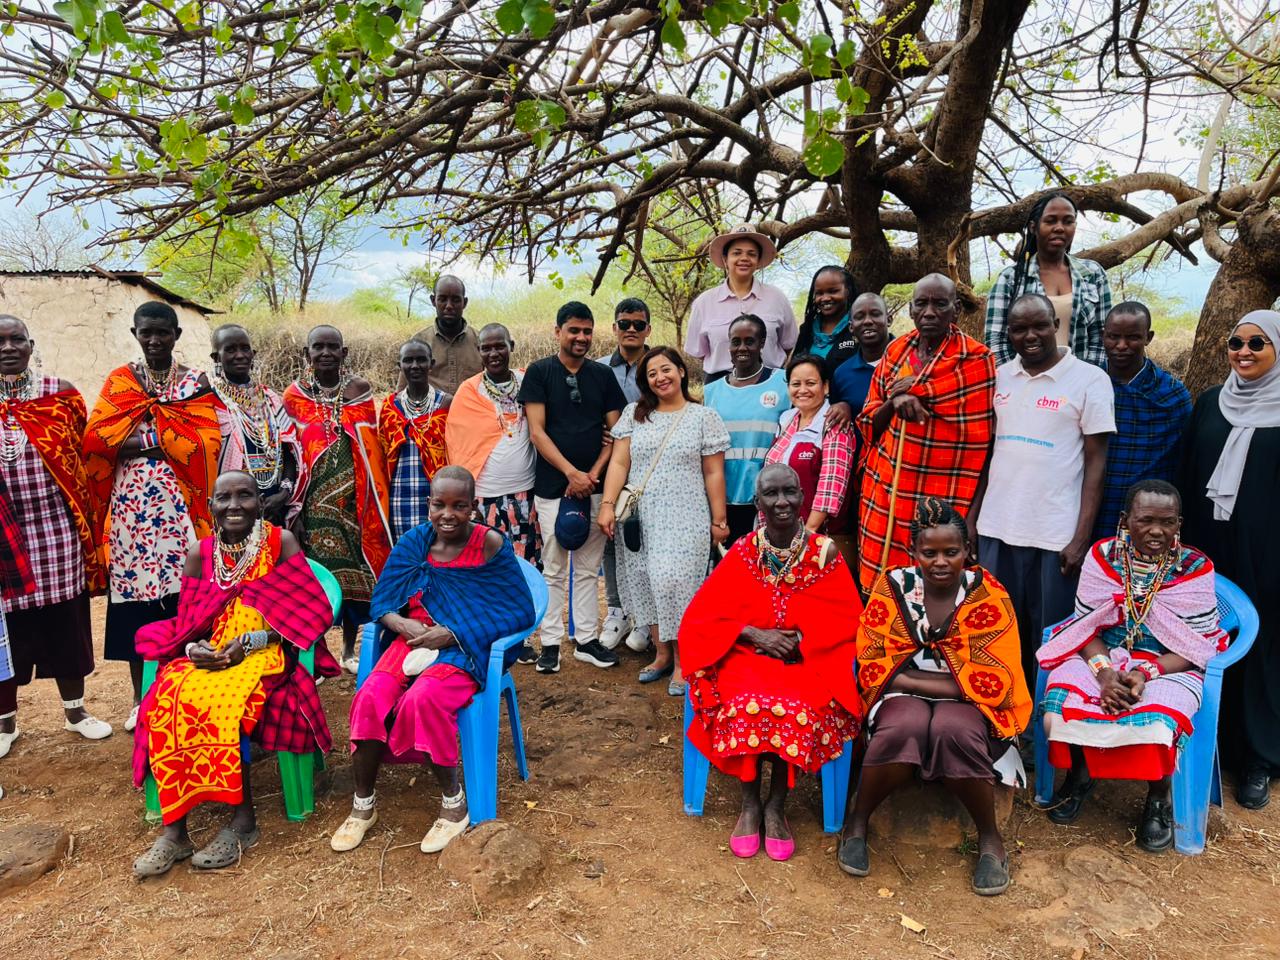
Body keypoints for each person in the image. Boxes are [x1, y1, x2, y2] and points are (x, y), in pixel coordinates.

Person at [131, 471, 338, 878]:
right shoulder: (199, 554)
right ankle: (176, 830)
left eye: (245, 496)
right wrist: (195, 649)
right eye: (223, 498)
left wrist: (251, 643)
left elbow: (311, 612)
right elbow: (189, 623)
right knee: (168, 697)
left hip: (266, 653)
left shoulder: (281, 543)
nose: (234, 506)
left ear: (260, 503)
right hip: (209, 655)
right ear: (211, 507)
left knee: (226, 703)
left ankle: (243, 820)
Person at [330, 466, 536, 854]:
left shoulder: (490, 544)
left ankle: (453, 805)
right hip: (412, 641)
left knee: (424, 699)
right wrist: (400, 623)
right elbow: (383, 601)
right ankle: (362, 806)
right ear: (428, 505)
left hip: (467, 646)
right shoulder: (414, 543)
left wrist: (454, 632)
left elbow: (519, 611)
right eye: (439, 504)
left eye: (459, 506)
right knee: (370, 698)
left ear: (474, 507)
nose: (448, 514)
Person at [844, 498, 1031, 895]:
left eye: (952, 552)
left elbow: (995, 682)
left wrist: (909, 680)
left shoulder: (988, 596)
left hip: (970, 706)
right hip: (904, 698)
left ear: (968, 552)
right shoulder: (893, 588)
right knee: (905, 724)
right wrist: (943, 683)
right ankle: (858, 823)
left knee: (952, 730)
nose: (941, 561)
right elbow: (873, 664)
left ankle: (989, 840)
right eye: (929, 553)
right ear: (914, 553)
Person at [681, 464, 863, 862]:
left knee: (792, 707)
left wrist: (803, 638)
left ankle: (776, 806)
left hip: (807, 660)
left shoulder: (823, 553)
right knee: (746, 701)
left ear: (803, 497)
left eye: (790, 492)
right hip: (745, 655)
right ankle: (749, 805)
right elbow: (704, 616)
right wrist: (753, 633)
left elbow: (848, 618)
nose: (782, 502)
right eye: (771, 495)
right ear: (757, 502)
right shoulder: (745, 550)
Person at [1038, 480, 1223, 852]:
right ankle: (1081, 771)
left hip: (1170, 663)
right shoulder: (1103, 556)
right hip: (1101, 654)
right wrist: (1105, 674)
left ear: (1179, 524)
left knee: (1160, 718)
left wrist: (1144, 673)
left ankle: (1158, 796)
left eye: (1168, 522)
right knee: (1059, 700)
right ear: (1125, 520)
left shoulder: (1195, 567)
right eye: (1146, 520)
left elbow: (1198, 646)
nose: (1157, 531)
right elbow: (1084, 625)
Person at [84, 301, 221, 731]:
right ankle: (141, 700)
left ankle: (189, 689)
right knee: (133, 605)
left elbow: (205, 442)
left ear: (177, 335)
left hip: (182, 509)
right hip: (131, 513)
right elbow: (98, 441)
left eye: (164, 332)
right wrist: (160, 441)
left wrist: (145, 437)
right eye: (147, 333)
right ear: (135, 333)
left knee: (187, 598)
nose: (155, 340)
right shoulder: (121, 381)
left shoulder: (195, 383)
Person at [975, 294, 1115, 683]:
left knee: (1051, 635)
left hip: (1055, 535)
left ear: (1056, 325)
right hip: (997, 528)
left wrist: (1081, 536)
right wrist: (973, 520)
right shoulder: (999, 377)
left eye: (1039, 325)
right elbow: (986, 455)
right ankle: (1002, 720)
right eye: (1019, 329)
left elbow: (1096, 464)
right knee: (996, 632)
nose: (1030, 336)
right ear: (1009, 333)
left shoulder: (1090, 379)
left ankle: (1042, 723)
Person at [1178, 310, 1280, 809]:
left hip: (1270, 555)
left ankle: (1260, 757)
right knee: (1207, 640)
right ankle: (1209, 744)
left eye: (1257, 343)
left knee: (1265, 650)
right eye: (1236, 342)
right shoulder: (1209, 405)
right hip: (1209, 550)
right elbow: (1186, 471)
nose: (1243, 351)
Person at [0, 315, 110, 752]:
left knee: (67, 622)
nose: (8, 347)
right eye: (0, 341)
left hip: (57, 531)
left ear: (31, 344)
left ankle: (75, 711)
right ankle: (6, 724)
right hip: (4, 541)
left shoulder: (59, 394)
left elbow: (85, 458)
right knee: (5, 632)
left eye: (16, 339)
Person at [598, 347, 730, 694]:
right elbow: (619, 464)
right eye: (652, 373)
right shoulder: (634, 415)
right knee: (644, 581)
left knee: (676, 583)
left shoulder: (703, 417)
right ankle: (661, 655)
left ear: (682, 372)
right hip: (642, 517)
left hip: (687, 513)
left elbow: (714, 471)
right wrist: (608, 504)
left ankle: (686, 662)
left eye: (666, 369)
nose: (660, 377)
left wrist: (719, 518)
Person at [855, 274, 995, 590]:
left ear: (956, 309)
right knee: (887, 592)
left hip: (947, 496)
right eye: (921, 304)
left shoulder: (977, 360)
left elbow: (985, 446)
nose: (929, 312)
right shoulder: (896, 353)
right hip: (889, 496)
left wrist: (971, 520)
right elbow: (870, 426)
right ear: (911, 310)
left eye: (939, 303)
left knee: (941, 589)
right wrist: (896, 400)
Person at [518, 302, 626, 674]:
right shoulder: (539, 373)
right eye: (573, 331)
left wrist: (592, 474)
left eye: (586, 331)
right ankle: (550, 643)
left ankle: (586, 639)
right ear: (558, 331)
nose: (581, 338)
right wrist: (570, 474)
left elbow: (616, 432)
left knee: (587, 566)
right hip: (552, 487)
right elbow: (537, 432)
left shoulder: (603, 375)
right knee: (554, 565)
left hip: (595, 486)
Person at [283, 325, 392, 673]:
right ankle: (318, 655)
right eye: (319, 347)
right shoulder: (293, 397)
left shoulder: (360, 392)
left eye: (333, 347)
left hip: (355, 502)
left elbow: (371, 450)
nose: (326, 353)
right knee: (314, 581)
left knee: (356, 577)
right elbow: (288, 453)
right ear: (307, 354)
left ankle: (348, 649)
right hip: (312, 506)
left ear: (344, 353)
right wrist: (294, 509)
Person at [445, 323, 541, 664]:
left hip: (525, 495)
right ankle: (488, 634)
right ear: (479, 352)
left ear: (510, 345)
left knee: (524, 568)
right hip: (485, 498)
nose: (493, 353)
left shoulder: (530, 381)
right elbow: (457, 445)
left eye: (499, 346)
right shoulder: (469, 392)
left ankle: (522, 638)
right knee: (486, 568)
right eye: (486, 348)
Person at [1092, 302, 1192, 540]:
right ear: (1103, 335)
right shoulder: (1088, 383)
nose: (1121, 346)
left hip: (1148, 513)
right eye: (1113, 337)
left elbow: (1183, 459)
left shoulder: (1172, 394)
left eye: (1133, 338)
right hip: (1090, 504)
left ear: (1148, 337)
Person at [984, 191, 1112, 368]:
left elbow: (1100, 337)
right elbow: (996, 342)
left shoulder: (1093, 274)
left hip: (1079, 384)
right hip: (1025, 385)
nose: (1059, 228)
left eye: (1068, 221)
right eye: (1050, 221)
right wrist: (1019, 381)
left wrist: (1085, 380)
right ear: (1033, 227)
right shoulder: (1011, 279)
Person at [703, 315, 791, 544]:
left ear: (761, 343)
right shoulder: (711, 392)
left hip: (769, 500)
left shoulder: (783, 384)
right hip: (724, 501)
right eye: (735, 341)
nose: (742, 348)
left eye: (749, 341)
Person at [598, 298, 652, 653]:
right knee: (610, 538)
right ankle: (617, 609)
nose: (630, 329)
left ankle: (646, 616)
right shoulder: (599, 368)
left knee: (646, 540)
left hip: (650, 467)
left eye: (638, 323)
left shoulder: (659, 364)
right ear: (614, 328)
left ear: (648, 328)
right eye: (624, 323)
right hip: (610, 466)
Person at [208, 324, 304, 528]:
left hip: (275, 505)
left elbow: (288, 451)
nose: (240, 355)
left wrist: (284, 493)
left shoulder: (269, 399)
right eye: (231, 349)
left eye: (245, 349)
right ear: (216, 358)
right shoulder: (210, 402)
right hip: (233, 511)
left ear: (253, 354)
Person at [685, 224, 797, 381]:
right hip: (720, 384)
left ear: (758, 261)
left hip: (769, 384)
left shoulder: (777, 298)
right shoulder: (704, 302)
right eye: (737, 253)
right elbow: (699, 352)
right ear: (725, 259)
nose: (744, 258)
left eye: (751, 254)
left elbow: (788, 344)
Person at [763, 354, 855, 536]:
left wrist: (807, 533)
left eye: (811, 383)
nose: (802, 390)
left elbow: (830, 488)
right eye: (796, 384)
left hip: (814, 535)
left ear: (826, 386)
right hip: (779, 531)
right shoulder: (786, 420)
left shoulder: (835, 424)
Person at [380, 340, 451, 543]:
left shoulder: (446, 404)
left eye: (421, 360)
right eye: (408, 360)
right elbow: (384, 456)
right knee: (405, 555)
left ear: (432, 363)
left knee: (438, 553)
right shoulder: (389, 407)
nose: (414, 366)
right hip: (398, 499)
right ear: (399, 365)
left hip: (438, 498)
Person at [412, 274, 482, 395]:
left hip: (472, 412)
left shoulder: (481, 342)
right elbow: (403, 391)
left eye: (455, 300)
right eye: (442, 299)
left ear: (464, 302)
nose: (449, 306)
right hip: (431, 413)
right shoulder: (418, 343)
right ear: (433, 301)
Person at [830, 292, 893, 423]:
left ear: (889, 319)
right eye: (859, 317)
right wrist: (843, 406)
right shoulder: (841, 374)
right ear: (851, 327)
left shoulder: (912, 360)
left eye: (875, 314)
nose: (868, 321)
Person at [793, 265, 860, 375]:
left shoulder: (857, 328)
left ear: (847, 291)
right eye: (819, 293)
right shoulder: (807, 329)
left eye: (833, 291)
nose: (825, 298)